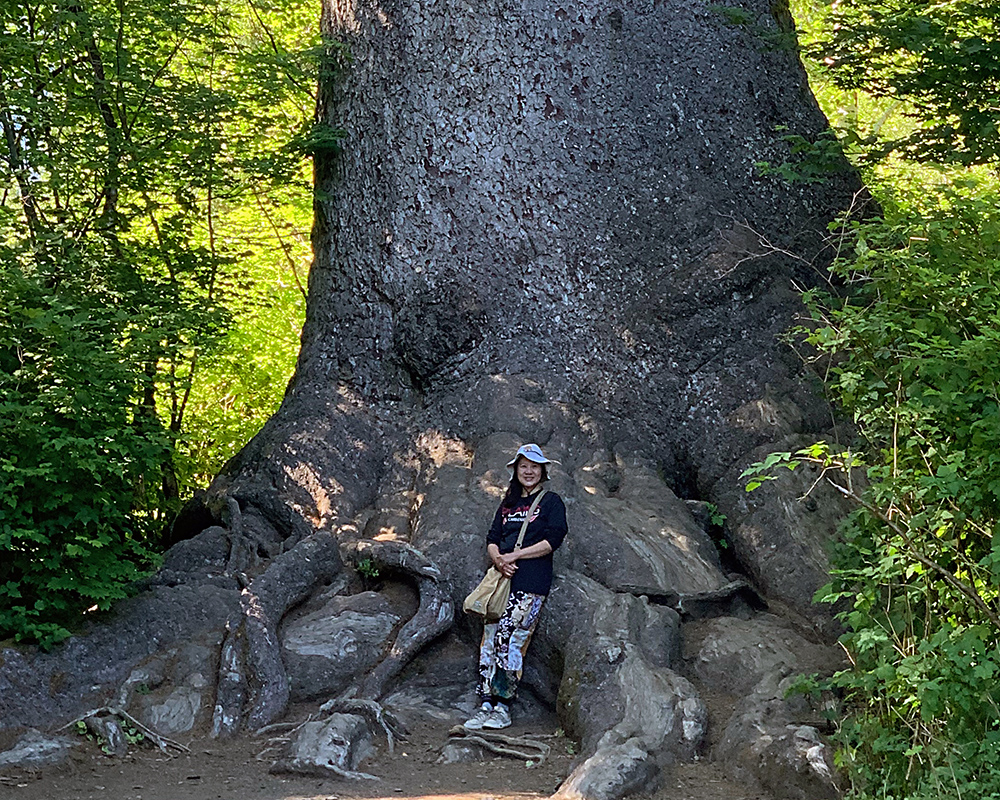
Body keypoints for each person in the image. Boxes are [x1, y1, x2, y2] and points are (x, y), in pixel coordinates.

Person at [464, 443, 568, 730]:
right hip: (502, 582)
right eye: (524, 466)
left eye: (534, 466)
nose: (529, 471)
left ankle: (503, 706)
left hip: (530, 583)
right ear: (516, 470)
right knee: (489, 641)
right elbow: (493, 536)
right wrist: (499, 559)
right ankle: (485, 703)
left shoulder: (551, 502)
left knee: (510, 641)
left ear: (543, 471)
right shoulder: (508, 504)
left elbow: (553, 540)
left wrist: (516, 555)